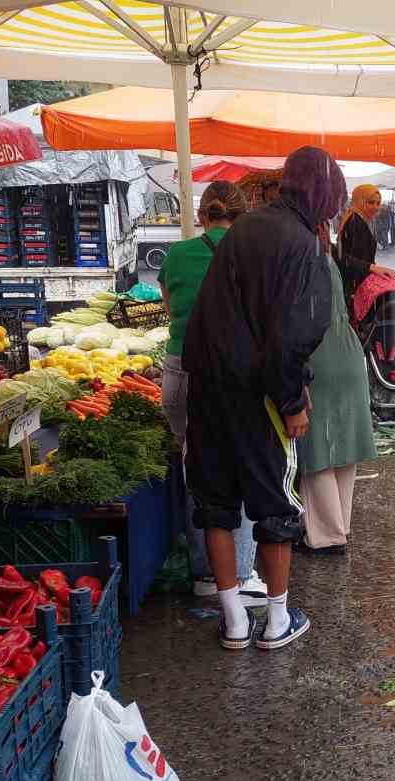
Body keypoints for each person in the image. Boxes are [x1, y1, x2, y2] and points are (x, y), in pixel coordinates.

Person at [182, 145, 348, 651]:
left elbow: (209, 315)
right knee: (275, 506)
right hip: (260, 398)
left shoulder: (246, 227)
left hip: (208, 389)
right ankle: (276, 621)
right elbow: (291, 338)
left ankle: (233, 620)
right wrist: (293, 401)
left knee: (216, 504)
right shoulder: (303, 245)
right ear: (323, 193)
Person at [158, 180, 269, 607]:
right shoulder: (253, 253)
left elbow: (171, 308)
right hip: (234, 374)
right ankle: (239, 576)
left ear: (202, 215)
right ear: (242, 215)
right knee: (240, 469)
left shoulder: (177, 255)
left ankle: (206, 573)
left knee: (195, 471)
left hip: (179, 371)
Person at [294, 195, 381, 555]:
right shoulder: (328, 255)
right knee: (345, 446)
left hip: (322, 352)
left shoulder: (303, 258)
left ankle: (326, 536)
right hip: (349, 352)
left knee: (316, 448)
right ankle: (339, 525)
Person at [335, 184, 395, 303]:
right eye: (371, 202)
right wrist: (371, 267)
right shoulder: (355, 222)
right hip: (353, 288)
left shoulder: (360, 219)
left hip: (357, 284)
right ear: (360, 200)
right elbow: (343, 258)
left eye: (378, 203)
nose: (375, 207)